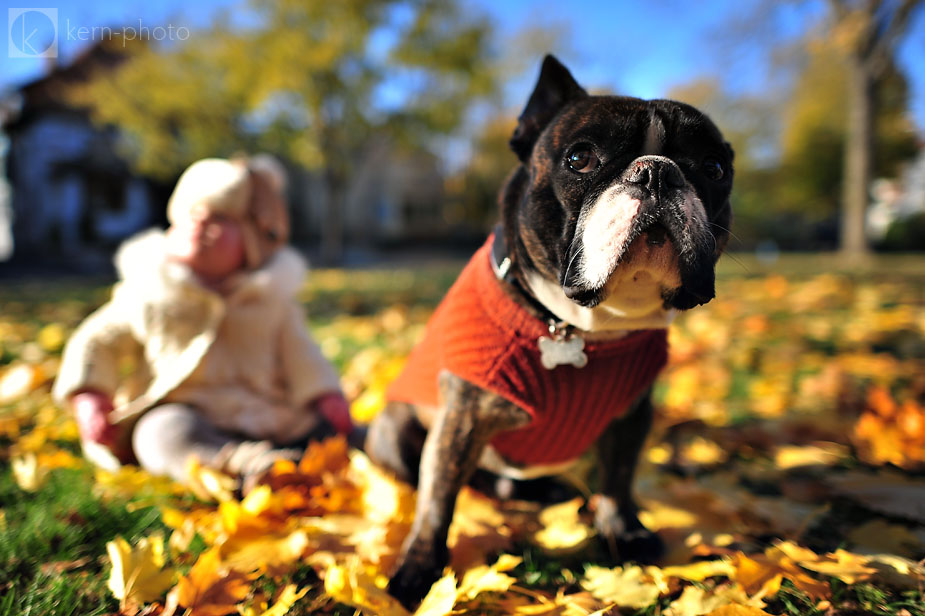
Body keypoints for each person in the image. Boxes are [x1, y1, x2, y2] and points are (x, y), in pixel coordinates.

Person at [53, 156, 353, 490]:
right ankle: (247, 468)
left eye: (219, 219)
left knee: (331, 430)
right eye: (191, 215)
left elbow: (303, 354)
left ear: (252, 243)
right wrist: (91, 395)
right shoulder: (150, 291)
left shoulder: (271, 301)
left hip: (268, 414)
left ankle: (373, 446)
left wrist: (326, 395)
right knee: (159, 436)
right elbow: (97, 339)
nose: (200, 224)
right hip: (187, 412)